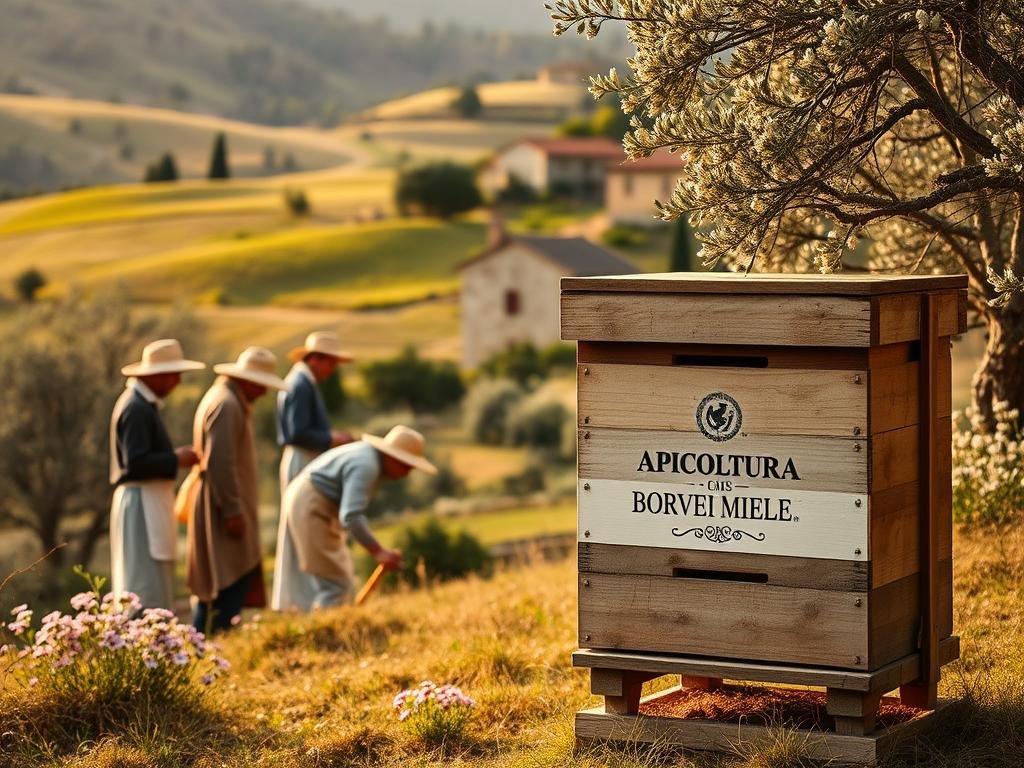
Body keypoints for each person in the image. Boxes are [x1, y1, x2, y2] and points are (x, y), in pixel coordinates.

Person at [271, 425, 436, 613]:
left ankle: (332, 629)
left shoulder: (368, 458)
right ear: (392, 456)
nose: (407, 473)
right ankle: (326, 634)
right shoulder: (367, 466)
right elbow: (351, 516)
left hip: (311, 502)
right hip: (311, 505)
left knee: (341, 579)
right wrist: (379, 552)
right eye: (406, 465)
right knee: (336, 584)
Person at [186, 347, 287, 633]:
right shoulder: (227, 404)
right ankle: (209, 649)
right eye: (263, 384)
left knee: (224, 580)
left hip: (220, 503)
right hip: (221, 507)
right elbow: (220, 461)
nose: (265, 392)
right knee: (224, 581)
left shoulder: (226, 398)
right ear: (249, 380)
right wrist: (232, 510)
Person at [109, 339, 205, 610]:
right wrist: (176, 459)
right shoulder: (136, 408)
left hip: (147, 500)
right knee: (141, 583)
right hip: (141, 503)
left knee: (149, 578)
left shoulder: (142, 405)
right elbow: (136, 463)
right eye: (175, 375)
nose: (177, 382)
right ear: (158, 375)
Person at [277, 331, 355, 496]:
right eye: (331, 363)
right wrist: (332, 439)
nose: (332, 370)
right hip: (302, 458)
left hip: (302, 456)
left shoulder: (303, 382)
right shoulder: (301, 386)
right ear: (314, 359)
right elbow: (298, 433)